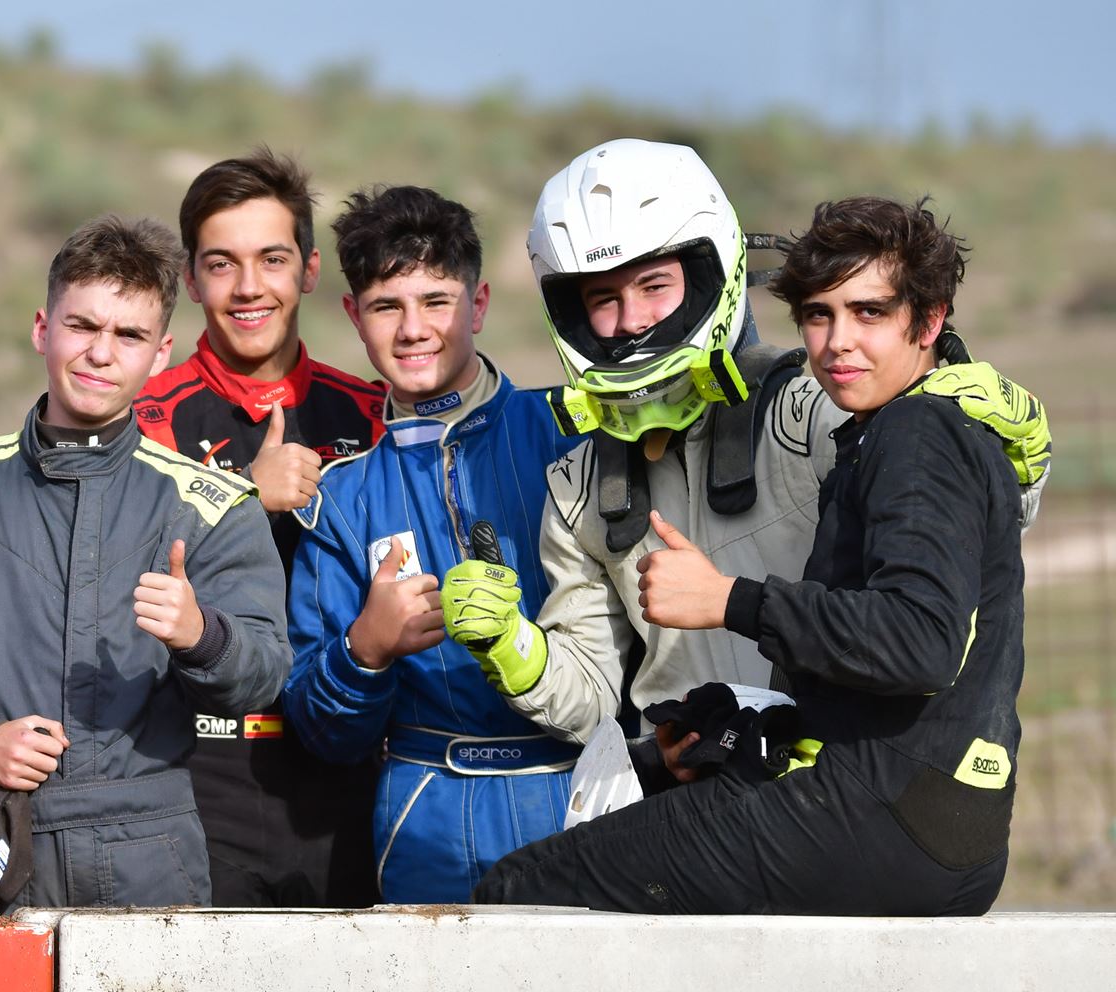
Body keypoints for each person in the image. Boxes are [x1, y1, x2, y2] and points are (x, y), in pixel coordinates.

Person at [476, 196, 1027, 914]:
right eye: (820, 316)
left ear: (928, 321)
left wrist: (728, 601)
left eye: (868, 313)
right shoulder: (909, 430)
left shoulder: (914, 431)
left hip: (887, 817)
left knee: (515, 889)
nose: (837, 343)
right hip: (957, 828)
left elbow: (920, 642)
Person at [440, 140, 1050, 786]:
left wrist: (1012, 451)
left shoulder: (810, 412)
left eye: (654, 287)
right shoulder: (581, 485)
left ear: (710, 278)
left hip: (835, 782)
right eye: (603, 299)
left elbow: (961, 537)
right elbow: (591, 698)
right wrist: (514, 648)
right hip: (695, 794)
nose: (631, 322)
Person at [0, 215, 289, 909]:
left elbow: (262, 670)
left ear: (161, 351)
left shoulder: (215, 506)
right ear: (42, 328)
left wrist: (203, 634)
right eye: (83, 326)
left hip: (152, 858)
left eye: (129, 335)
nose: (101, 352)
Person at [282, 186, 582, 903]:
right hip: (420, 811)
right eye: (387, 306)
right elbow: (324, 731)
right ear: (355, 317)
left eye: (437, 301)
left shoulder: (572, 433)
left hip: (579, 791)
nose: (413, 328)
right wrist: (364, 650)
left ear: (477, 305)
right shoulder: (340, 499)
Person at [133, 148, 385, 908]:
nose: (248, 288)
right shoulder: (146, 416)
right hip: (198, 773)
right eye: (222, 263)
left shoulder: (371, 412)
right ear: (190, 278)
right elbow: (114, 573)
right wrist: (246, 496)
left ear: (309, 270)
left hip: (344, 770)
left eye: (272, 259)